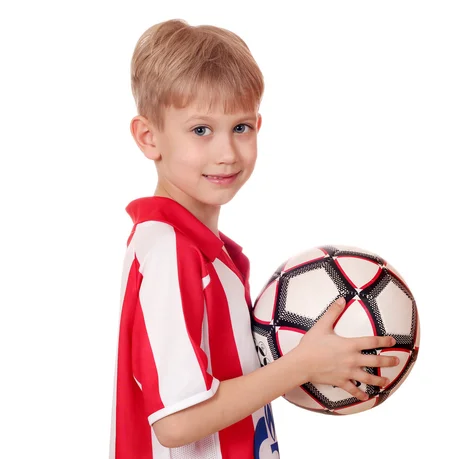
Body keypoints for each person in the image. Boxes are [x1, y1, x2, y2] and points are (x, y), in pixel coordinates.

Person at [109, 18, 400, 459]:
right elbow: (175, 422)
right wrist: (301, 365)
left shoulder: (208, 252)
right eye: (201, 130)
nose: (227, 153)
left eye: (241, 127)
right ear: (149, 138)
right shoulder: (169, 249)